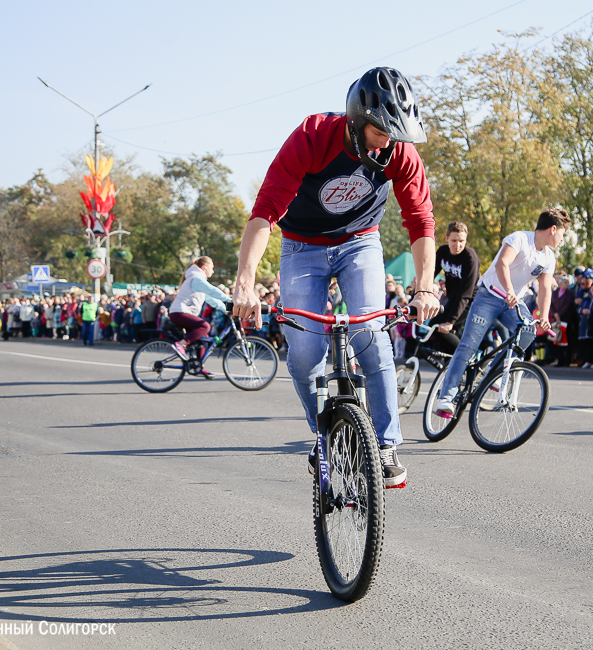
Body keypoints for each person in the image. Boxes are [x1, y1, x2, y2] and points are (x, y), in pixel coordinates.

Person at [232, 67, 439, 489]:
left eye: (397, 135)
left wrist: (425, 285)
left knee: (370, 335)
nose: (390, 144)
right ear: (357, 119)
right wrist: (245, 280)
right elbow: (266, 211)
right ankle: (323, 433)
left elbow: (420, 222)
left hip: (361, 242)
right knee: (306, 349)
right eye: (382, 133)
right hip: (302, 245)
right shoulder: (311, 136)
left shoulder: (400, 152)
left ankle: (384, 444)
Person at [434, 208, 568, 417]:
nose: (562, 239)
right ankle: (446, 397)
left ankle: (492, 374)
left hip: (512, 302)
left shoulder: (549, 257)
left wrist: (543, 316)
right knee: (468, 344)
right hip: (489, 295)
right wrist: (509, 291)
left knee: (528, 332)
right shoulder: (520, 238)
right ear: (553, 229)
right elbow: (501, 264)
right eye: (562, 234)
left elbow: (544, 289)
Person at [169, 256, 231, 378]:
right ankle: (181, 344)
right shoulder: (196, 279)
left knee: (204, 338)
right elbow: (212, 290)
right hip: (178, 313)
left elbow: (211, 299)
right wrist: (230, 299)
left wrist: (226, 310)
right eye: (212, 268)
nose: (213, 271)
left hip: (182, 313)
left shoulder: (196, 280)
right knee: (205, 326)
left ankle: (199, 367)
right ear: (204, 267)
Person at [429, 220, 480, 354]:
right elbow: (430, 273)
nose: (457, 245)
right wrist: (416, 292)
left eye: (461, 241)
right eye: (454, 241)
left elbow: (465, 294)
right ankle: (453, 364)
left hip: (470, 302)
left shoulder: (470, 258)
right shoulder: (443, 251)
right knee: (439, 328)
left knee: (441, 327)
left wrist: (451, 321)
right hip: (453, 298)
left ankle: (467, 357)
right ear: (447, 239)